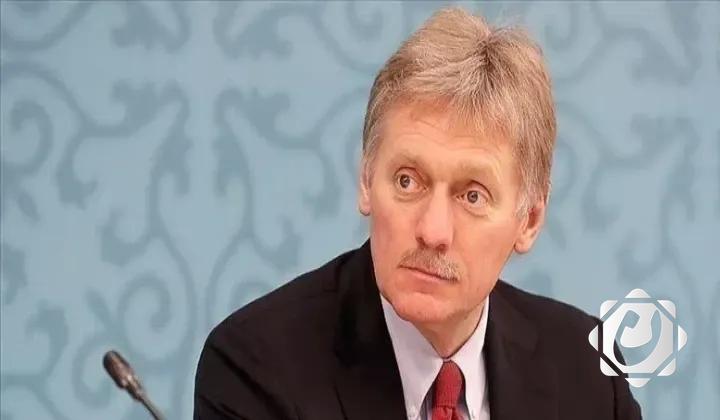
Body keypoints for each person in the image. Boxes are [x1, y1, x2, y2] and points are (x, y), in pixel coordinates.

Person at [193, 7, 642, 420]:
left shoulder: (591, 375)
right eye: (408, 181)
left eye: (472, 196)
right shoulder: (255, 367)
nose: (432, 231)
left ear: (529, 221)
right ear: (366, 180)